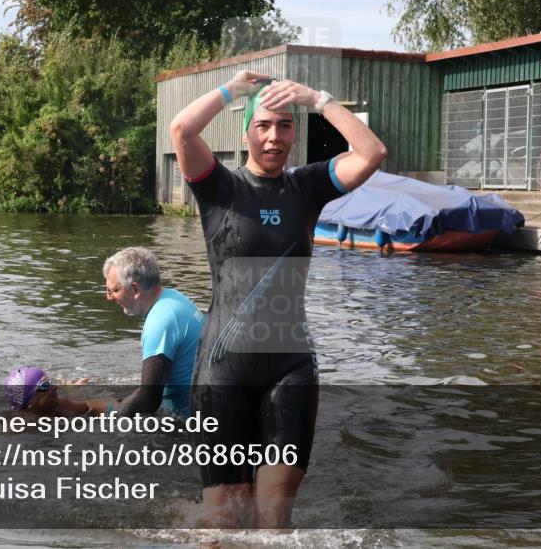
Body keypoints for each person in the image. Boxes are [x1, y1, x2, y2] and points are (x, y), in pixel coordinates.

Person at [169, 71, 386, 528]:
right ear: (246, 132)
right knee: (225, 520)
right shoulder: (219, 189)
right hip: (223, 369)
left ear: (295, 133)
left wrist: (317, 98)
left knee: (274, 521)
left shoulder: (306, 188)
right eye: (263, 126)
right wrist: (232, 90)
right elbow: (182, 130)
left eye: (285, 125)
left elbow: (372, 153)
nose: (274, 137)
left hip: (289, 367)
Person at [84, 247, 204, 418]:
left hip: (189, 421)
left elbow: (149, 400)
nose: (109, 297)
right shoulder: (174, 298)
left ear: (135, 289)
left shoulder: (159, 322)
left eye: (114, 290)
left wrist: (114, 412)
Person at [4, 366, 90, 415]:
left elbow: (93, 406)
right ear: (30, 400)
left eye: (50, 382)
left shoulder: (60, 405)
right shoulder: (19, 428)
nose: (55, 387)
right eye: (45, 385)